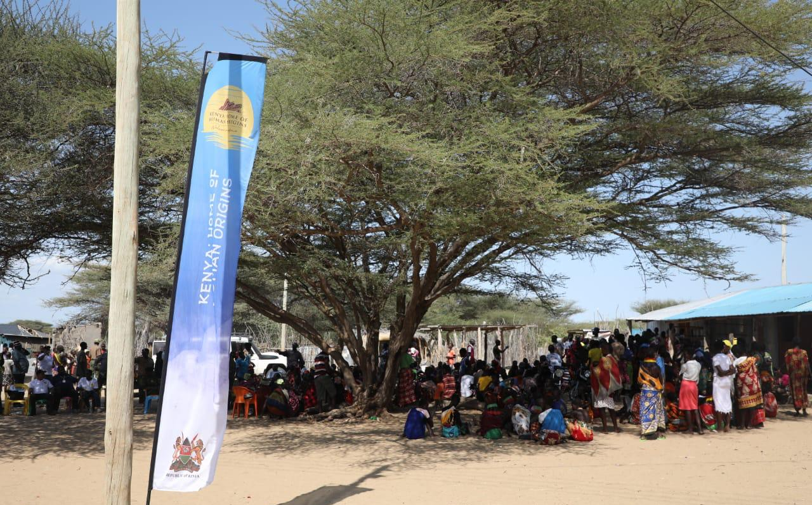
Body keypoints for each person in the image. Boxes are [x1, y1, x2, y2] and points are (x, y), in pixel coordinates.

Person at [591, 340, 622, 433]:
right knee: (611, 409)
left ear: (605, 349)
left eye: (602, 348)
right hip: (609, 388)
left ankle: (605, 428)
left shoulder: (605, 359)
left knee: (602, 409)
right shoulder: (612, 359)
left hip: (603, 388)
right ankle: (615, 427)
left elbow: (600, 372)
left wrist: (593, 368)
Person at [638, 345, 666, 440]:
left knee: (645, 410)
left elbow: (639, 381)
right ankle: (655, 431)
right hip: (655, 392)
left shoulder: (642, 366)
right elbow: (661, 380)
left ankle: (645, 431)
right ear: (654, 356)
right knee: (655, 411)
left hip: (645, 391)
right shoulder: (656, 367)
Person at [735, 350, 764, 429]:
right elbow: (756, 370)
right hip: (753, 384)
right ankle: (749, 424)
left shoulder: (736, 361)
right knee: (752, 404)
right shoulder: (752, 360)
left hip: (742, 384)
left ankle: (742, 424)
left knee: (743, 406)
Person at [712, 340, 736, 432]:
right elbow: (733, 370)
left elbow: (720, 372)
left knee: (718, 404)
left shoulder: (715, 358)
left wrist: (724, 373)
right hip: (727, 382)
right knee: (727, 403)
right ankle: (727, 425)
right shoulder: (727, 358)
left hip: (718, 383)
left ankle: (719, 427)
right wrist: (728, 373)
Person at [679, 351, 703, 435]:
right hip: (694, 386)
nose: (685, 358)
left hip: (685, 385)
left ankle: (690, 429)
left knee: (687, 408)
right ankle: (700, 429)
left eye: (685, 355)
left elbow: (680, 373)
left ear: (689, 355)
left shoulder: (685, 365)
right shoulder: (699, 365)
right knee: (695, 407)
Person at [784, 338, 810, 416]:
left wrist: (788, 371)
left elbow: (787, 363)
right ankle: (804, 409)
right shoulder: (804, 352)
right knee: (803, 391)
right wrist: (809, 373)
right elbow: (807, 364)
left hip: (794, 376)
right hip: (803, 376)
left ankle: (797, 410)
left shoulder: (789, 352)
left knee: (795, 392)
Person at [313, 348, 335, 413]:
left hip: (317, 377)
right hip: (324, 375)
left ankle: (320, 411)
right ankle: (333, 409)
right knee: (333, 392)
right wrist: (332, 373)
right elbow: (326, 366)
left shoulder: (317, 356)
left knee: (320, 395)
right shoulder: (325, 356)